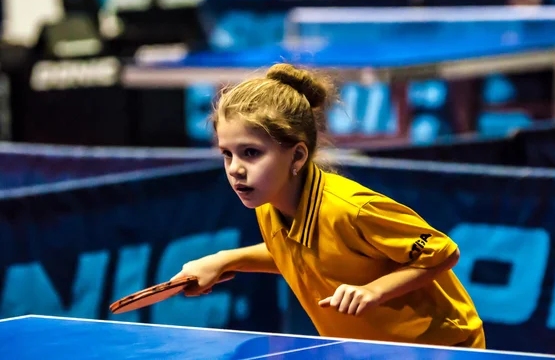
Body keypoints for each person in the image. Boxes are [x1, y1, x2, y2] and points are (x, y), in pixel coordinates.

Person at [172, 63, 485, 348]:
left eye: (251, 153)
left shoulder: (349, 209)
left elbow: (442, 251)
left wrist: (375, 290)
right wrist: (224, 260)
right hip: (373, 350)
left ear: (297, 156)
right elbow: (300, 253)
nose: (235, 169)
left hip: (441, 348)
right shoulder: (268, 205)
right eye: (227, 154)